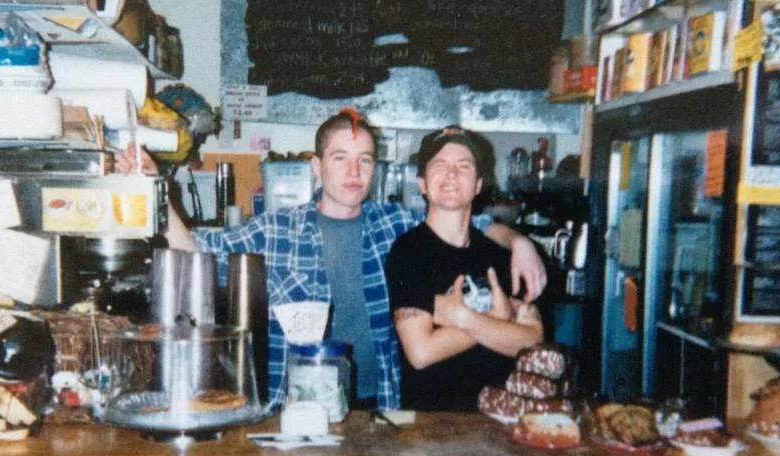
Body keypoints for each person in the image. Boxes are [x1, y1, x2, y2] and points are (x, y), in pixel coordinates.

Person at [118, 109, 546, 410]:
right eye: (341, 159)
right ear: (317, 168)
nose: (354, 172)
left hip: (384, 405)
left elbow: (462, 212)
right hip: (301, 407)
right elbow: (194, 250)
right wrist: (155, 189)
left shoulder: (395, 224)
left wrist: (517, 241)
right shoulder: (275, 230)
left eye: (365, 161)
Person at [385, 126, 545, 411]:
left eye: (463, 166)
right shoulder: (408, 252)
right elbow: (421, 352)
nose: (451, 175)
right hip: (431, 426)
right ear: (422, 183)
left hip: (500, 420)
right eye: (440, 165)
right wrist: (497, 319)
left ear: (478, 185)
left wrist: (462, 317)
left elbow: (531, 339)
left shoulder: (501, 255)